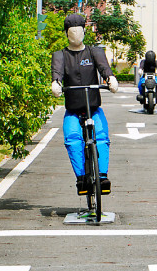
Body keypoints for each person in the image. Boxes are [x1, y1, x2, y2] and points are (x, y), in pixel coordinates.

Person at [51, 13, 119, 196]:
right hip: (73, 109)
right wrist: (56, 83)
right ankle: (81, 178)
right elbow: (57, 72)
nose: (75, 34)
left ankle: (102, 176)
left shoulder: (94, 52)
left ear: (84, 31)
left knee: (103, 136)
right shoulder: (60, 55)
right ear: (66, 33)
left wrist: (110, 78)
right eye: (71, 31)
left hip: (94, 107)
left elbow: (104, 67)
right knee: (72, 138)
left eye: (78, 30)